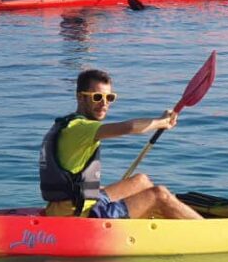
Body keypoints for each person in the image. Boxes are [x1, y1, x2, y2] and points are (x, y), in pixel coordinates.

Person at [40, 69, 203, 220]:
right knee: (159, 194)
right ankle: (208, 230)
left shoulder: (67, 124)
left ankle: (157, 217)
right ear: (80, 97)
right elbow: (129, 127)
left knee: (141, 181)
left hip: (73, 203)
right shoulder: (81, 128)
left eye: (109, 98)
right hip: (80, 214)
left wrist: (160, 121)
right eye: (97, 97)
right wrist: (161, 122)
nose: (104, 103)